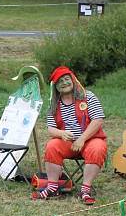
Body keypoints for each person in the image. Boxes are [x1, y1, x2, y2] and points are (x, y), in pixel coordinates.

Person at [34, 66, 106, 204]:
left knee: (98, 147)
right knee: (52, 145)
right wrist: (61, 133)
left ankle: (85, 190)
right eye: (60, 81)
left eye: (67, 79)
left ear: (73, 80)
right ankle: (52, 187)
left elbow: (98, 119)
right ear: (56, 87)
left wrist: (82, 139)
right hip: (68, 143)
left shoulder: (88, 96)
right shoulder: (54, 104)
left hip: (90, 140)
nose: (64, 83)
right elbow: (50, 129)